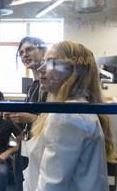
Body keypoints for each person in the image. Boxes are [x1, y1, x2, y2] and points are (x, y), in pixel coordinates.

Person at [23, 40, 116, 191]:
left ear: (73, 71)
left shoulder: (67, 115)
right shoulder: (75, 109)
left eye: (52, 62)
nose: (41, 68)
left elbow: (51, 186)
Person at [4, 36, 48, 191]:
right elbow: (30, 121)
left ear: (43, 51)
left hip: (43, 150)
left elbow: (57, 122)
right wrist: (15, 117)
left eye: (29, 49)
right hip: (28, 146)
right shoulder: (32, 86)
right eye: (21, 52)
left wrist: (31, 118)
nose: (24, 55)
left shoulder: (50, 84)